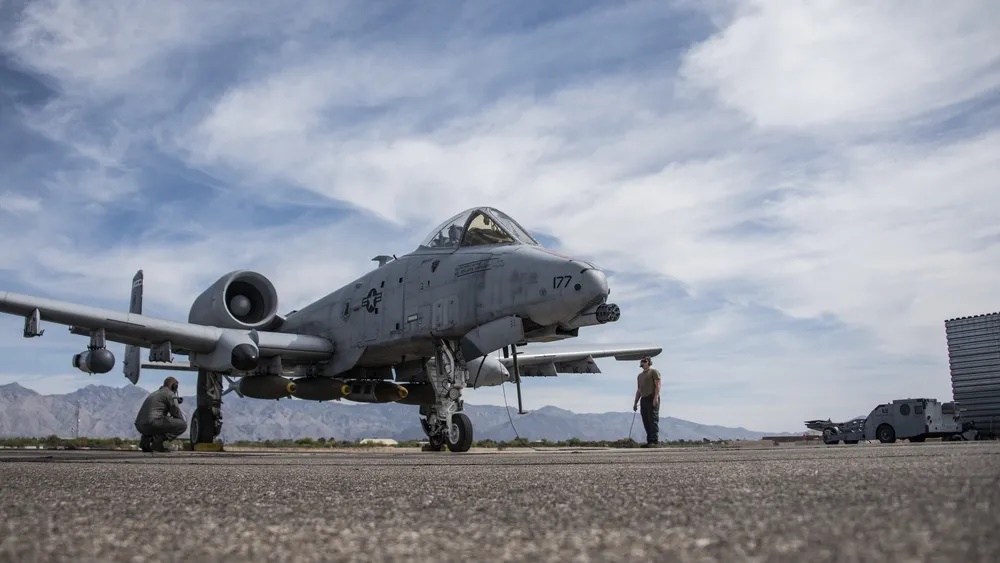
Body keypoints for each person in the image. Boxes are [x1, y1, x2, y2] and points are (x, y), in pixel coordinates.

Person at [134, 376, 187, 452]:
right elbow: (176, 414)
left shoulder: (155, 393)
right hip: (152, 423)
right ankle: (157, 443)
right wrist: (175, 402)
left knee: (160, 420)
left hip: (140, 425)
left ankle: (145, 441)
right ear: (174, 386)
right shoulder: (169, 394)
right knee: (182, 425)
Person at [632, 355, 661, 447]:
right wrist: (635, 402)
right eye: (641, 361)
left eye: (644, 361)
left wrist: (655, 397)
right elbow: (639, 390)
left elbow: (658, 385)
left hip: (651, 397)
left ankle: (654, 440)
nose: (642, 362)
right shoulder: (639, 376)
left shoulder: (654, 372)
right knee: (646, 420)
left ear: (648, 362)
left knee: (653, 419)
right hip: (643, 399)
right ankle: (649, 441)